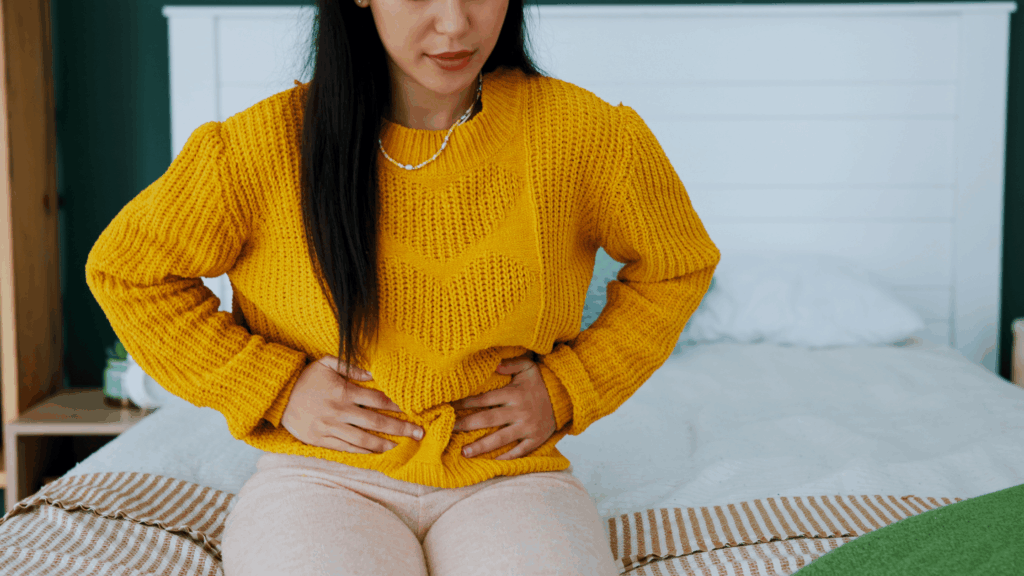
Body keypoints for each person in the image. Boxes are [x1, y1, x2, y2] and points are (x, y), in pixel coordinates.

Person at [84, 0, 721, 573]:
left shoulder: (585, 135)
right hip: (321, 477)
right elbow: (130, 271)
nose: (455, 23)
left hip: (508, 477)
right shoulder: (261, 144)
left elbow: (676, 264)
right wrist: (275, 386)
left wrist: (568, 387)